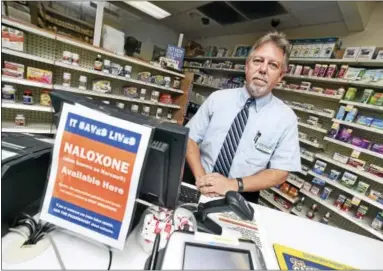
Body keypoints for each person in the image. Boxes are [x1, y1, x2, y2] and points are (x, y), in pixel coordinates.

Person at [185, 31, 301, 203]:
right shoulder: (218, 99)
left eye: (273, 65)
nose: (263, 69)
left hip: (242, 195)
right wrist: (201, 177)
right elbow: (190, 138)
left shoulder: (286, 118)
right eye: (258, 61)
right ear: (247, 66)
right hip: (198, 181)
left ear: (280, 76)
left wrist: (233, 184)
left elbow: (280, 171)